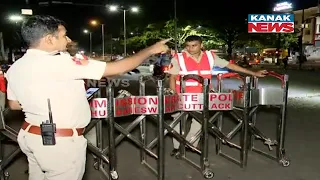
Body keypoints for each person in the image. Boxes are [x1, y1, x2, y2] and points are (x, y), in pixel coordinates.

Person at [6, 15, 169, 180]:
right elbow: (119, 67)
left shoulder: (16, 67)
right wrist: (150, 50)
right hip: (59, 143)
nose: (68, 39)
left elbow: (13, 104)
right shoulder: (62, 64)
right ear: (49, 40)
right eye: (63, 36)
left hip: (30, 136)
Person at [168, 35, 267, 156]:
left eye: (194, 45)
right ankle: (177, 147)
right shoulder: (179, 58)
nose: (190, 48)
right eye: (188, 46)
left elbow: (230, 66)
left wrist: (253, 73)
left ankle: (190, 143)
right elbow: (172, 77)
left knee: (199, 121)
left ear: (201, 45)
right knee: (178, 120)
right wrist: (174, 94)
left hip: (201, 95)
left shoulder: (210, 56)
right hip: (182, 94)